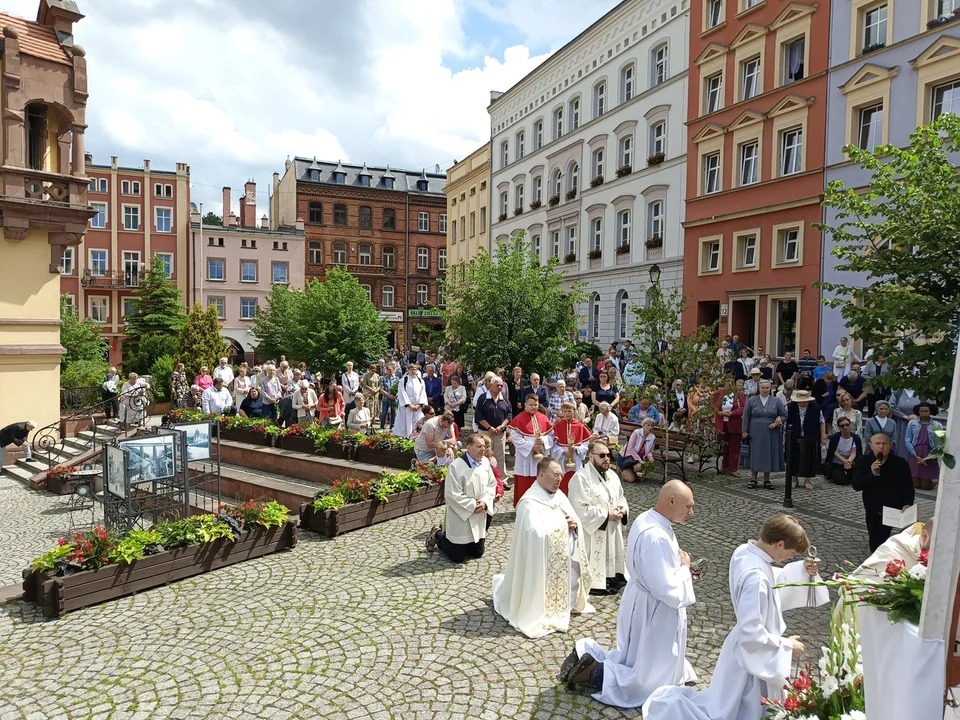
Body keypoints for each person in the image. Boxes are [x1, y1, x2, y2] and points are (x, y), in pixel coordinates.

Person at [642, 514, 825, 720]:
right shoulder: (756, 577)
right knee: (741, 709)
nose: (791, 558)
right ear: (780, 544)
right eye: (791, 554)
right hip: (750, 658)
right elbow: (751, 631)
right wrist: (786, 647)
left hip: (739, 649)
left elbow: (771, 578)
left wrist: (800, 570)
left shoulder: (746, 551)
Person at [564, 480, 694, 705]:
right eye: (688, 506)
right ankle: (596, 673)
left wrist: (681, 568)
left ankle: (592, 663)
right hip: (655, 608)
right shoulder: (657, 536)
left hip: (640, 598)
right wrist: (684, 569)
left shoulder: (647, 518)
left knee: (637, 657)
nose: (691, 512)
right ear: (671, 500)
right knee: (649, 677)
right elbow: (669, 591)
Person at [492, 458, 594, 638]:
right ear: (541, 474)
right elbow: (535, 533)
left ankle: (566, 603)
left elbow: (574, 519)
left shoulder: (559, 495)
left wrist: (574, 523)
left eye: (561, 475)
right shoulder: (529, 502)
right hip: (541, 563)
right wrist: (564, 525)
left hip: (564, 559)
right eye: (556, 475)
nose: (560, 479)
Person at [566, 440, 629, 597]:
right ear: (591, 456)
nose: (607, 458)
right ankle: (595, 581)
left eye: (608, 455)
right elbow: (579, 509)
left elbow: (621, 497)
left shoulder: (613, 476)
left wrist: (622, 509)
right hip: (594, 532)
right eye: (602, 455)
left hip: (613, 528)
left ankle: (613, 576)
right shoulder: (580, 478)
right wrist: (608, 515)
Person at [426, 434, 497, 563]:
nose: (482, 449)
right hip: (462, 515)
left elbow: (492, 484)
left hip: (479, 513)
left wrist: (485, 502)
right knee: (457, 557)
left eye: (484, 446)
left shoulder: (485, 463)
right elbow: (452, 495)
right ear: (468, 448)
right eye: (479, 446)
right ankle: (438, 534)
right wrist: (472, 505)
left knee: (477, 553)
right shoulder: (456, 466)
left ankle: (468, 545)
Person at [853, 432, 915, 552]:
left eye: (884, 443)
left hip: (897, 510)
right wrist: (871, 474)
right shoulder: (863, 461)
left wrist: (908, 503)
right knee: (877, 546)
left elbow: (908, 486)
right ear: (871, 445)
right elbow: (856, 485)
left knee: (905, 544)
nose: (881, 447)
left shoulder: (900, 463)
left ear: (890, 445)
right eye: (877, 444)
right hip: (875, 511)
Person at [509, 394, 555, 506]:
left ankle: (540, 503)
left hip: (540, 457)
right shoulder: (518, 419)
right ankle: (524, 506)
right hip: (525, 458)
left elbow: (551, 436)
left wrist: (542, 441)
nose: (533, 407)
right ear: (525, 404)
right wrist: (532, 446)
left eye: (535, 404)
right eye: (531, 405)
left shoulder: (543, 419)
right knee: (525, 483)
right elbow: (515, 438)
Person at [742, 380, 785, 489]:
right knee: (755, 454)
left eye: (767, 388)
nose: (765, 390)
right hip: (755, 431)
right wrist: (744, 431)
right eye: (763, 388)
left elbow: (784, 414)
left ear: (770, 388)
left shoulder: (776, 401)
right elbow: (746, 416)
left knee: (768, 454)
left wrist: (777, 421)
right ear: (759, 389)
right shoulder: (751, 401)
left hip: (771, 432)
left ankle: (767, 479)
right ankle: (753, 479)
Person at [786, 390, 825, 489]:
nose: (803, 403)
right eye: (801, 401)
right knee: (794, 457)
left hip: (811, 435)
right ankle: (794, 479)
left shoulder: (816, 408)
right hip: (794, 434)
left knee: (810, 457)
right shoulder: (790, 407)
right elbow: (785, 420)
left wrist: (823, 436)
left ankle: (808, 480)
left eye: (805, 401)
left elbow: (822, 422)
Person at [552, 402, 593, 495]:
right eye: (565, 411)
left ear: (574, 411)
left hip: (576, 456)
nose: (567, 413)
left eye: (569, 411)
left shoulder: (580, 426)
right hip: (562, 457)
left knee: (575, 478)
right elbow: (553, 443)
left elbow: (586, 442)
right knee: (563, 479)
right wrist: (562, 451)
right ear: (562, 412)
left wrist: (577, 449)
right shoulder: (558, 426)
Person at [475, 377, 512, 476]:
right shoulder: (483, 398)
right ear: (491, 386)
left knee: (500, 456)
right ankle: (484, 476)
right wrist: (489, 427)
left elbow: (509, 415)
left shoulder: (504, 398)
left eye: (501, 385)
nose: (500, 387)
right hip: (485, 432)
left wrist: (501, 426)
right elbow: (478, 415)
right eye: (497, 385)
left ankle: (502, 479)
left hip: (500, 432)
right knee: (484, 454)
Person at [905, 401, 944, 490]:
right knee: (916, 484)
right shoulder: (912, 423)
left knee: (925, 486)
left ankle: (937, 481)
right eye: (922, 411)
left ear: (930, 411)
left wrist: (928, 457)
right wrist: (915, 455)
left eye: (926, 411)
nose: (924, 413)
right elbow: (907, 440)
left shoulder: (937, 425)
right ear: (918, 412)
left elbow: (940, 444)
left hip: (929, 454)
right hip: (915, 454)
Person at [714, 383, 745, 477]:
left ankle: (733, 468)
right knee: (725, 446)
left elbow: (743, 407)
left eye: (731, 382)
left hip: (734, 423)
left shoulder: (739, 394)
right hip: (722, 423)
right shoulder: (719, 392)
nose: (728, 384)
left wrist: (732, 413)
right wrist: (718, 412)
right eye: (726, 382)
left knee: (734, 447)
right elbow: (713, 404)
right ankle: (724, 466)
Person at [888, 386, 925, 459]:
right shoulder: (898, 393)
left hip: (917, 423)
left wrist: (918, 417)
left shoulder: (921, 393)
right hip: (901, 423)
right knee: (901, 443)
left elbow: (928, 407)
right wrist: (903, 415)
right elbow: (891, 406)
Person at [618, 418, 656, 483]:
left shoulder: (652, 437)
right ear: (643, 425)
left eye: (652, 426)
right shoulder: (636, 433)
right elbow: (630, 448)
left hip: (636, 460)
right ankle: (620, 468)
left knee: (641, 467)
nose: (650, 427)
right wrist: (639, 460)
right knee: (631, 480)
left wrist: (650, 457)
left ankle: (631, 471)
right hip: (626, 458)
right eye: (648, 425)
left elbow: (649, 451)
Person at [393, 365, 427, 439]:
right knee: (406, 424)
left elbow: (423, 393)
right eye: (411, 369)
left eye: (414, 369)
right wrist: (409, 405)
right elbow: (402, 393)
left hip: (417, 407)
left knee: (417, 423)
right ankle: (405, 438)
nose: (413, 371)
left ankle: (416, 438)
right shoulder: (403, 380)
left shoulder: (421, 381)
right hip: (407, 407)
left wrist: (419, 405)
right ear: (408, 370)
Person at [825, 417, 861, 485]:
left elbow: (854, 453)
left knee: (855, 477)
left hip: (850, 461)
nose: (845, 427)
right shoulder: (835, 437)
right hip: (837, 462)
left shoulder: (855, 438)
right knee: (841, 481)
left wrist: (848, 462)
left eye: (847, 425)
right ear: (839, 427)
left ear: (850, 425)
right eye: (842, 426)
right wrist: (843, 461)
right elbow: (835, 452)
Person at [379, 362, 399, 430]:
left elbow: (399, 389)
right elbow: (381, 390)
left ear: (394, 370)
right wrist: (388, 395)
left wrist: (396, 395)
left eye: (392, 370)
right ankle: (382, 426)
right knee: (384, 412)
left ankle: (392, 426)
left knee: (394, 413)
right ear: (386, 370)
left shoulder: (397, 379)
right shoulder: (383, 379)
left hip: (394, 399)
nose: (390, 371)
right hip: (386, 399)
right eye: (389, 370)